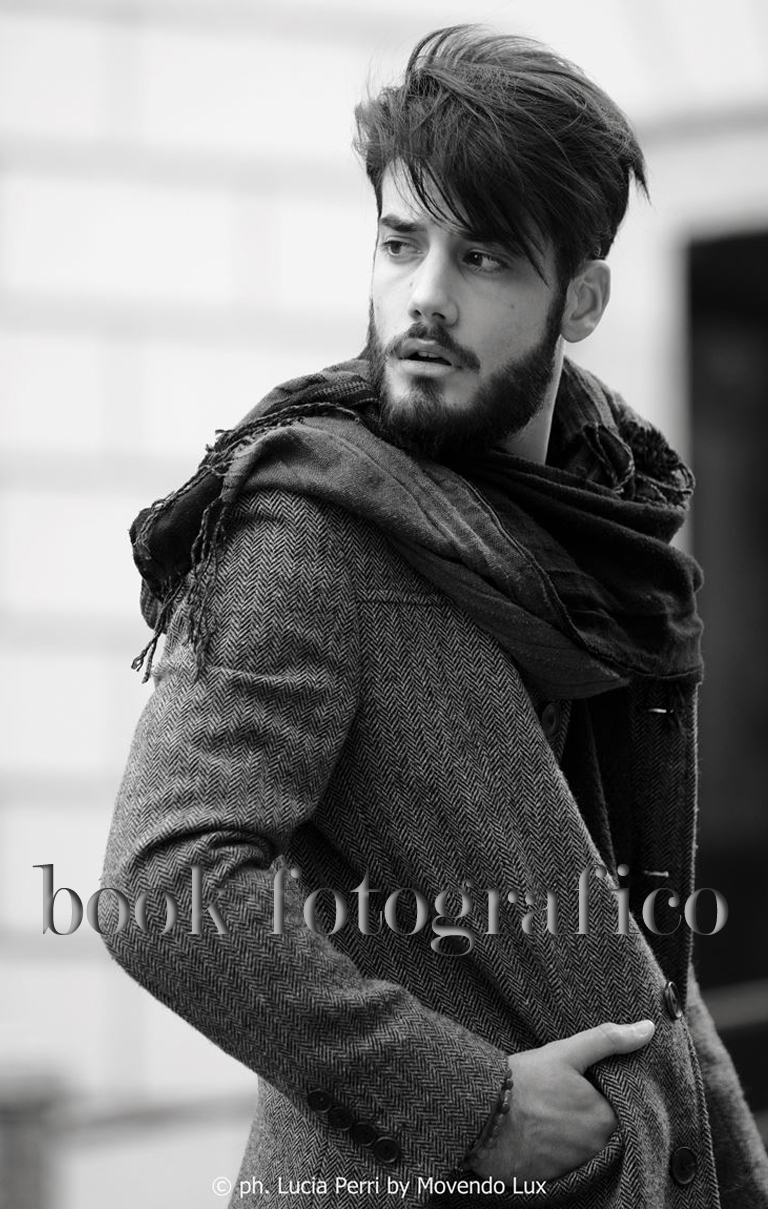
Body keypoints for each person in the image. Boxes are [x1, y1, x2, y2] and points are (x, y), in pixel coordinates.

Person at [101, 25, 768, 1208]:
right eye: (402, 243)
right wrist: (473, 1107)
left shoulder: (609, 550)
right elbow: (165, 886)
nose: (425, 297)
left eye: (485, 258)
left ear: (581, 300)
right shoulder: (311, 523)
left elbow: (635, 945)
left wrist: (722, 1157)